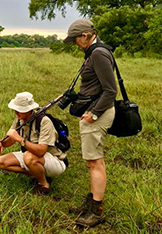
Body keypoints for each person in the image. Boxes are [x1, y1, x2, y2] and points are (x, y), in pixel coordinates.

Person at [63, 18, 117, 227]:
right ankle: (91, 202)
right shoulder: (94, 52)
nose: (75, 45)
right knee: (92, 161)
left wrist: (93, 114)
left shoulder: (99, 54)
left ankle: (96, 210)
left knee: (95, 163)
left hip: (98, 114)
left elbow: (111, 90)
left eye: (76, 40)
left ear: (85, 35)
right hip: (93, 111)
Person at [0, 92, 68, 195]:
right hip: (33, 156)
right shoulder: (20, 119)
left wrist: (20, 140)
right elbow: (11, 139)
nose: (15, 112)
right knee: (2, 161)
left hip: (54, 160)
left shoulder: (44, 121)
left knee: (28, 157)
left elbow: (41, 151)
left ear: (28, 110)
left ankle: (44, 184)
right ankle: (38, 173)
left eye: (19, 110)